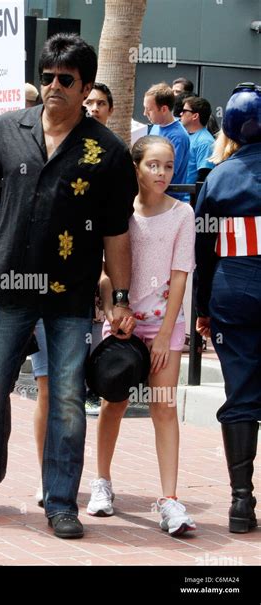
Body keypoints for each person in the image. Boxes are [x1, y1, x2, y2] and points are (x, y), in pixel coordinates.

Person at [0, 33, 138, 539]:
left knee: (68, 400)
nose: (54, 86)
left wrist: (120, 298)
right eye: (48, 76)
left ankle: (61, 502)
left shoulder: (109, 151)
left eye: (66, 79)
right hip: (10, 281)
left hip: (71, 294)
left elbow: (118, 233)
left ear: (86, 87)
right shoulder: (8, 129)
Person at [89, 135, 197, 537]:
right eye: (153, 165)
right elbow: (102, 271)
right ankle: (101, 482)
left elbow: (180, 273)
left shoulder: (183, 214)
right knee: (112, 403)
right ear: (136, 167)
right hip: (121, 323)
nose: (162, 173)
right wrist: (114, 311)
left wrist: (166, 334)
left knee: (164, 408)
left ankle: (169, 500)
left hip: (165, 326)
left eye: (168, 166)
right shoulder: (118, 212)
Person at [195, 82, 260, 534]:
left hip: (232, 289)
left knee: (240, 393)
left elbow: (203, 251)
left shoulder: (218, 176)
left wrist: (202, 309)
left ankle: (241, 502)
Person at [144, 83, 190, 192]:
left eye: (149, 109)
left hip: (169, 198)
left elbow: (168, 173)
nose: (145, 113)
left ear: (164, 109)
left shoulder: (178, 136)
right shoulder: (156, 125)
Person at [180, 96, 215, 186]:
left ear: (195, 116)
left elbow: (203, 177)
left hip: (188, 198)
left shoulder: (205, 142)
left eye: (184, 111)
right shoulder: (185, 134)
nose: (181, 114)